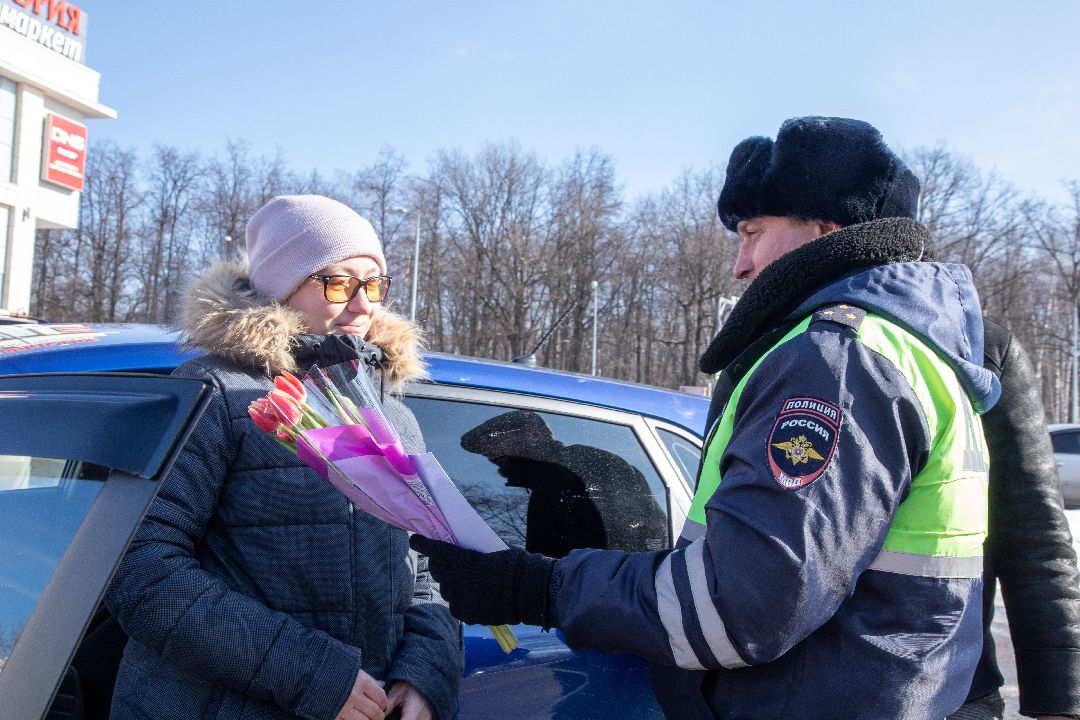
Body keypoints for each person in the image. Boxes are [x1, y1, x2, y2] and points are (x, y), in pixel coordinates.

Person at [411, 117, 1001, 719]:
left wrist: (534, 587)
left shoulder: (837, 361)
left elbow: (742, 605)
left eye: (753, 233)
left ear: (826, 230)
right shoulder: (892, 347)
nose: (739, 266)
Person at [105, 195, 462, 720]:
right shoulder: (216, 396)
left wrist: (426, 671)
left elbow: (432, 565)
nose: (364, 306)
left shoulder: (393, 416)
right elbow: (139, 567)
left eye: (375, 285)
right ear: (281, 284)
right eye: (339, 283)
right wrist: (311, 674)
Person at [950, 319, 1080, 720]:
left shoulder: (979, 344)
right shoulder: (769, 337)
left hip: (953, 693)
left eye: (757, 248)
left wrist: (1061, 698)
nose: (746, 263)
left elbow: (1035, 536)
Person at [460, 410, 668, 556]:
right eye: (482, 447)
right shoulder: (537, 485)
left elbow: (645, 538)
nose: (487, 449)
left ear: (533, 434)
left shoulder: (592, 466)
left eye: (493, 437)